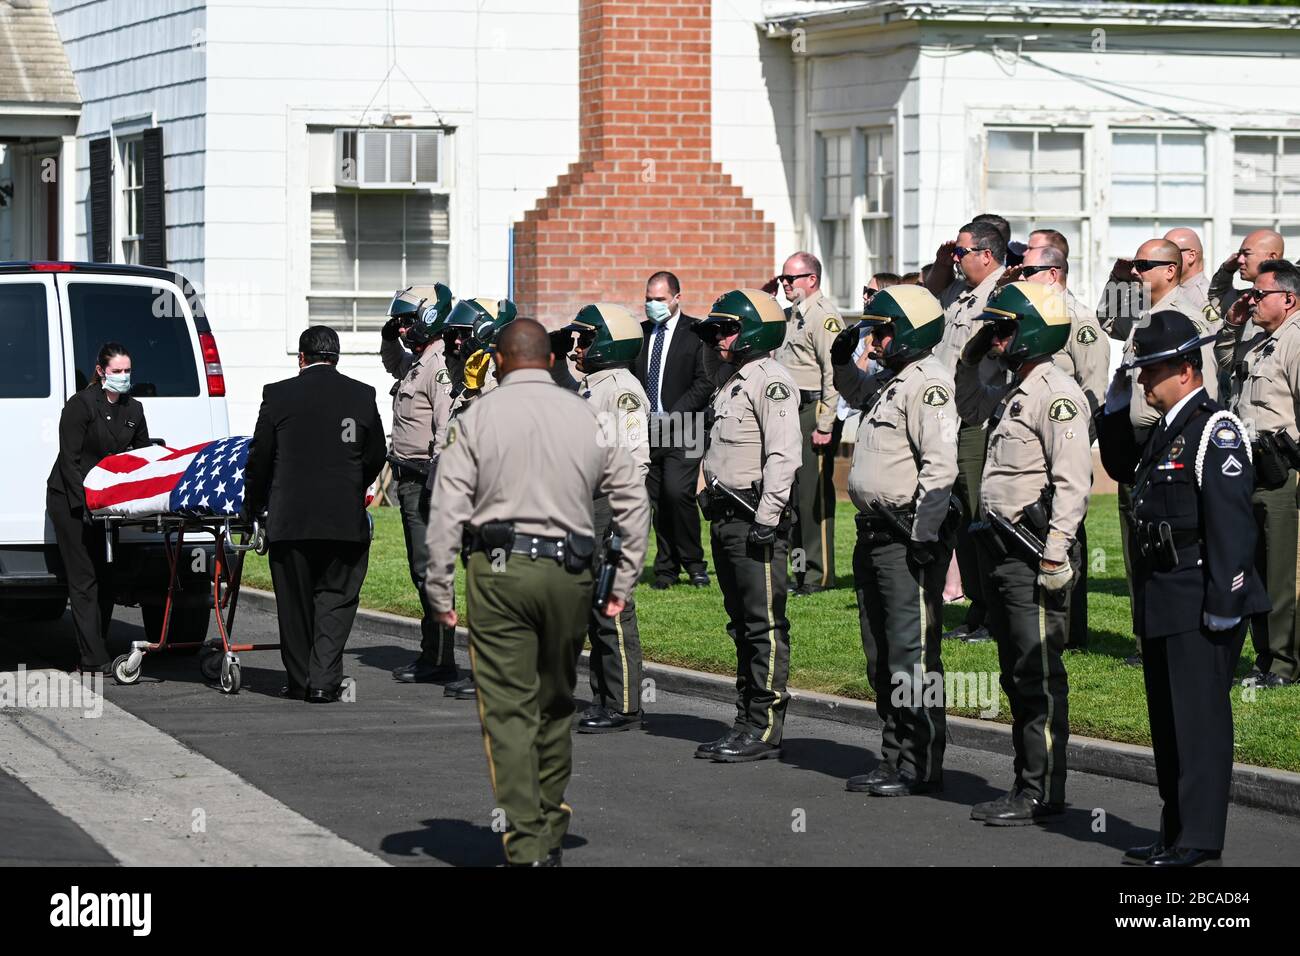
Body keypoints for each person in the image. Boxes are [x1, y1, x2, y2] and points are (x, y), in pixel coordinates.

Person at [423, 319, 649, 866]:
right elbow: (632, 500)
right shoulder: (588, 414)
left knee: (508, 711)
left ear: (499, 361)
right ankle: (548, 821)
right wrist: (622, 579)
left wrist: (440, 590)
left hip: (499, 574)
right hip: (568, 573)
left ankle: (528, 844)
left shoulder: (477, 418)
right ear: (550, 360)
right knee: (554, 702)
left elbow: (445, 508)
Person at [1096, 310, 1267, 866]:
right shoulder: (1170, 426)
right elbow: (1122, 466)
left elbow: (1232, 526)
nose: (1144, 380)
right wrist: (1118, 400)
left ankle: (1199, 838)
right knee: (1168, 726)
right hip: (1164, 595)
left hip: (1200, 598)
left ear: (1186, 369)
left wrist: (1226, 600)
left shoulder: (1214, 429)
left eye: (1151, 371)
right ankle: (1174, 831)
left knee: (1199, 724)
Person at [956, 282, 1091, 825]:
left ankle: (1041, 790)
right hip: (1001, 551)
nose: (997, 336)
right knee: (1015, 671)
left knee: (1036, 672)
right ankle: (1028, 781)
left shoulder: (1054, 394)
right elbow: (965, 406)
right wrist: (972, 355)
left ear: (1032, 330)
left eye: (1005, 327)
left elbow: (1073, 483)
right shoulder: (1016, 387)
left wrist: (1056, 555)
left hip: (1032, 554)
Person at [831, 286, 958, 796]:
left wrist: (925, 535)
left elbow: (941, 465)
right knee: (880, 654)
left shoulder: (928, 384)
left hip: (906, 536)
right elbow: (855, 392)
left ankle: (920, 760)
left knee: (912, 653)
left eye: (882, 330)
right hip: (874, 535)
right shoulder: (891, 381)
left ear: (909, 331)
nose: (875, 339)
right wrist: (842, 360)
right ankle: (892, 753)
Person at [244, 326, 386, 702]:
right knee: (336, 598)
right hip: (343, 519)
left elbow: (259, 459)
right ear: (336, 358)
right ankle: (324, 680)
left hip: (291, 519)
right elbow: (376, 453)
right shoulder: (362, 395)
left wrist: (252, 506)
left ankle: (301, 679)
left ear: (301, 358)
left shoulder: (277, 396)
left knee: (294, 603)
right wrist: (354, 485)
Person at [691, 289, 802, 762]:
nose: (718, 338)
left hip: (756, 520)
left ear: (754, 331)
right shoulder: (732, 379)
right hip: (726, 517)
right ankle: (743, 719)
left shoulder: (771, 380)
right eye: (717, 329)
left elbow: (783, 455)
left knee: (763, 626)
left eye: (727, 328)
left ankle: (763, 726)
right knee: (740, 625)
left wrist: (767, 517)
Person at [1098, 238, 1219, 665]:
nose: (1136, 272)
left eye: (1144, 265)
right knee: (1137, 544)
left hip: (1167, 444)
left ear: (1170, 270)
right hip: (1138, 448)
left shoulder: (1184, 316)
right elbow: (1106, 320)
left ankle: (1166, 634)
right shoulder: (1142, 314)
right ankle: (1144, 636)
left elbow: (1206, 384)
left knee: (1165, 544)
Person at [562, 303, 651, 731]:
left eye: (585, 338)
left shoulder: (623, 389)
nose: (577, 346)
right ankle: (602, 696)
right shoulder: (589, 386)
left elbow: (636, 457)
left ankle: (624, 704)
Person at [1018, 240, 1108, 649]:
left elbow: (1093, 389)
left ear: (1053, 275)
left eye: (1028, 271)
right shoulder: (1031, 318)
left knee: (1066, 529)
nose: (1021, 277)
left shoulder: (1078, 320)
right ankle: (1037, 620)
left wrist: (1072, 443)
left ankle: (1069, 630)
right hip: (1030, 444)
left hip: (1063, 440)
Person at [431, 296, 518, 702]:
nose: (453, 342)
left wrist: (475, 389)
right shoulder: (472, 373)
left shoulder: (507, 376)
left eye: (461, 335)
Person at [46, 342, 153, 674]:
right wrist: (86, 506)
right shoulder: (80, 406)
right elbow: (70, 461)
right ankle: (93, 658)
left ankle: (95, 646)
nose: (123, 377)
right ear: (100, 371)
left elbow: (141, 455)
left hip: (108, 505)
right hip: (72, 501)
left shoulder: (133, 409)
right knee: (84, 579)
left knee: (106, 579)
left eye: (127, 371)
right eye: (116, 371)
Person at [1221, 260, 1300, 688]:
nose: (1250, 299)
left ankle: (1284, 664)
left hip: (1283, 473)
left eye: (1259, 294)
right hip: (1249, 467)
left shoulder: (1296, 341)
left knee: (1281, 571)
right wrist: (1232, 329)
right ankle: (1266, 656)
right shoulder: (1261, 340)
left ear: (1288, 299)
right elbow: (1224, 371)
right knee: (1255, 567)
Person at [931, 220, 1007, 644]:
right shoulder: (960, 294)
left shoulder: (1001, 291)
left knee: (982, 516)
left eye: (962, 252)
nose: (956, 259)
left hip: (979, 419)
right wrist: (945, 263)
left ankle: (994, 614)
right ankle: (977, 609)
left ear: (987, 255)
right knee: (961, 516)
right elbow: (927, 299)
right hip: (951, 418)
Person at [380, 285, 459, 685]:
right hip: (408, 478)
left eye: (409, 320)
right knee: (421, 571)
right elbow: (396, 365)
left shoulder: (438, 367)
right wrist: (388, 336)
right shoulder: (420, 361)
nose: (403, 328)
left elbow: (445, 430)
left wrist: (436, 485)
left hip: (425, 480)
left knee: (431, 572)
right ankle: (434, 654)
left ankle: (441, 660)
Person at [634, 271, 714, 590]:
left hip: (686, 428)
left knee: (677, 493)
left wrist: (673, 414)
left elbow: (705, 381)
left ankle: (694, 563)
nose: (652, 305)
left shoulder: (696, 333)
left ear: (676, 298)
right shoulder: (639, 334)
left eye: (659, 300)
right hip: (649, 429)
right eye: (648, 299)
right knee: (657, 498)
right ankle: (666, 567)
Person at [770, 252, 843, 596]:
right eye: (783, 278)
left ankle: (818, 573)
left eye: (791, 279)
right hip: (789, 409)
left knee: (813, 498)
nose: (785, 284)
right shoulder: (791, 316)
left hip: (811, 411)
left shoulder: (823, 317)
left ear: (811, 279)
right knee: (794, 499)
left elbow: (834, 374)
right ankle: (800, 571)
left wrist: (825, 424)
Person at [1164, 227, 1210, 312]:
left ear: (1191, 256)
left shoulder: (1204, 298)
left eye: (1170, 252)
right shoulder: (1172, 289)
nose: (1163, 258)